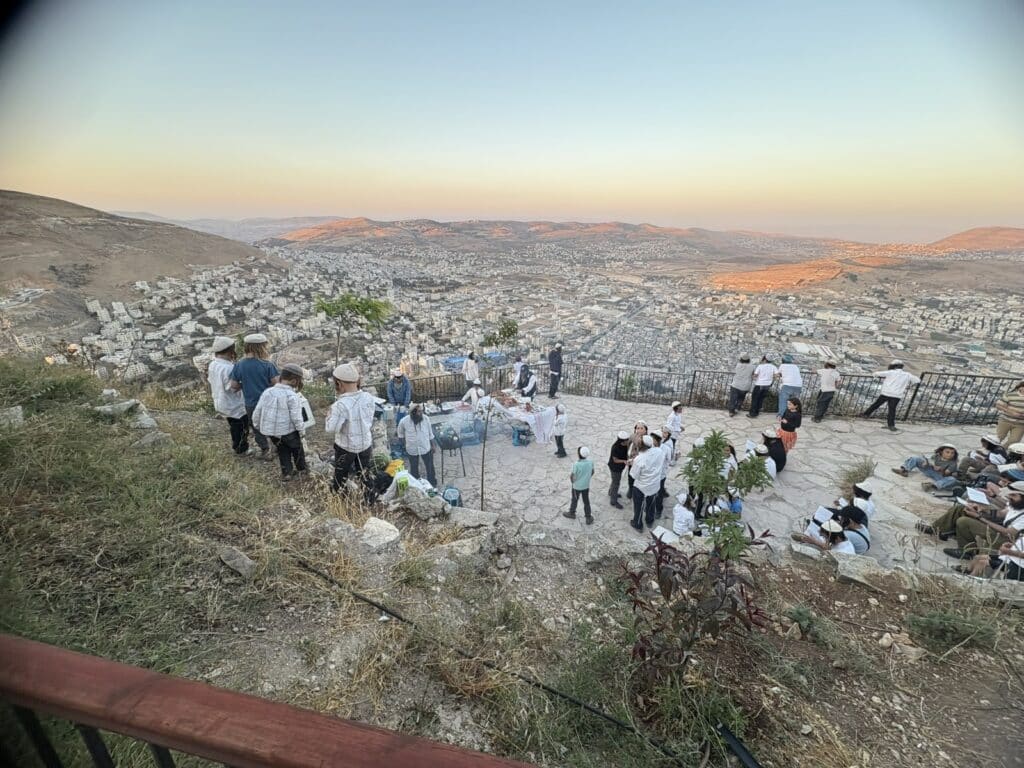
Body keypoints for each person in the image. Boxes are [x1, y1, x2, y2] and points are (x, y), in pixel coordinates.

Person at [251, 363, 309, 480]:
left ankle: (286, 473)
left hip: (273, 433)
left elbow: (257, 411)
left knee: (282, 451)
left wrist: (257, 425)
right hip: (289, 431)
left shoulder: (267, 392)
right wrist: (301, 431)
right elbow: (296, 417)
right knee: (297, 449)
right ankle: (302, 470)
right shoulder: (292, 396)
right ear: (294, 381)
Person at [326, 363, 376, 492]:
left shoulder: (340, 405)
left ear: (339, 383)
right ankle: (369, 497)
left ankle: (339, 496)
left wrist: (329, 416)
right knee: (365, 474)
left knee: (341, 474)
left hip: (346, 447)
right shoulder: (368, 397)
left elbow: (331, 429)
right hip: (365, 443)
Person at [940, 484, 1024, 561]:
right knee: (964, 509)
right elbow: (1001, 513)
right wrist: (983, 510)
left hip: (1007, 542)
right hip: (1002, 533)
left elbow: (1007, 533)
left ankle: (967, 552)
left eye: (1013, 495)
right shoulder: (1017, 504)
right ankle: (939, 530)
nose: (1009, 497)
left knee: (963, 521)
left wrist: (979, 517)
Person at [230, 333, 280, 460]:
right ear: (261, 347)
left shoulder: (239, 365)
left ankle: (265, 449)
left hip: (251, 403)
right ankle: (278, 446)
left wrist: (245, 384)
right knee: (273, 424)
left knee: (256, 427)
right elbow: (276, 384)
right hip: (268, 402)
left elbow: (234, 385)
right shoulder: (267, 365)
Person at [207, 336, 248, 455]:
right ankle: (240, 448)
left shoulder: (213, 364)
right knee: (241, 427)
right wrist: (245, 383)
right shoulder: (229, 368)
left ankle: (238, 446)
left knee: (233, 425)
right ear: (230, 351)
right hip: (233, 404)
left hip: (220, 400)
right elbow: (233, 387)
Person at [862, 360, 920, 432]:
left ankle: (865, 414)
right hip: (897, 395)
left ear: (893, 366)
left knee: (876, 404)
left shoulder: (890, 372)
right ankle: (891, 425)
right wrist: (909, 383)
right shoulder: (907, 375)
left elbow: (876, 374)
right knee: (892, 410)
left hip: (886, 393)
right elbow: (917, 380)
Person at [396, 403, 437, 487]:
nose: (421, 413)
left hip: (425, 447)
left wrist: (433, 445)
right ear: (412, 413)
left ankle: (432, 482)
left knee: (430, 467)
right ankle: (416, 485)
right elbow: (400, 435)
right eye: (419, 412)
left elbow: (430, 434)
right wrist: (405, 445)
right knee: (414, 468)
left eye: (421, 411)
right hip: (412, 449)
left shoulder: (426, 419)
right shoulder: (403, 421)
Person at [891, 443, 960, 491]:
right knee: (916, 458)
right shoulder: (936, 456)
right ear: (941, 452)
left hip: (939, 476)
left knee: (952, 479)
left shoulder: (953, 463)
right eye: (947, 452)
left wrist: (940, 469)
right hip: (930, 469)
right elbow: (930, 461)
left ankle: (931, 485)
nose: (950, 454)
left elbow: (946, 473)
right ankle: (904, 470)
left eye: (952, 453)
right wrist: (926, 463)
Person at [629, 435, 662, 531]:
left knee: (638, 506)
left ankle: (637, 523)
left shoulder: (640, 459)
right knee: (651, 504)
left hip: (641, 487)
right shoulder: (659, 451)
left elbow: (634, 475)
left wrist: (633, 463)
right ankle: (649, 521)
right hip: (654, 484)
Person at [563, 446, 594, 524]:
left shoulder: (576, 464)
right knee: (586, 501)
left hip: (576, 487)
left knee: (574, 499)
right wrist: (586, 478)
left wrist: (573, 482)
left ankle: (572, 513)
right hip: (586, 486)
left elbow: (572, 476)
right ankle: (588, 517)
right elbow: (592, 472)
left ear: (579, 454)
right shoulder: (590, 462)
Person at [995, 381, 1024, 447]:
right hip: (1005, 420)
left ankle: (1002, 449)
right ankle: (989, 450)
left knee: (1014, 441)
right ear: (1020, 387)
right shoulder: (1009, 395)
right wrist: (1012, 412)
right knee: (998, 438)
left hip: (1020, 424)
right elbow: (998, 405)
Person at [608, 430, 630, 509]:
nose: (628, 441)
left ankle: (611, 492)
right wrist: (624, 461)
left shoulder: (625, 445)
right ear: (622, 441)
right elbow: (615, 460)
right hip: (615, 468)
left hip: (620, 467)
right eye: (627, 440)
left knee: (614, 481)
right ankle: (613, 501)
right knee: (616, 483)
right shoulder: (615, 447)